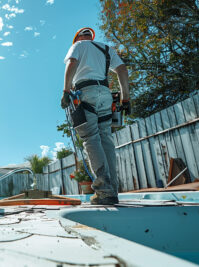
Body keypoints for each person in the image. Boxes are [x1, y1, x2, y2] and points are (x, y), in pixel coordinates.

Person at [61, 27, 130, 205]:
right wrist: (125, 98)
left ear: (77, 38)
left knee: (91, 139)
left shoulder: (78, 45)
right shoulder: (106, 49)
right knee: (105, 138)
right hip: (105, 94)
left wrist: (66, 91)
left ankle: (104, 191)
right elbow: (122, 69)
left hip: (85, 93)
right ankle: (112, 191)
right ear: (91, 37)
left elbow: (72, 63)